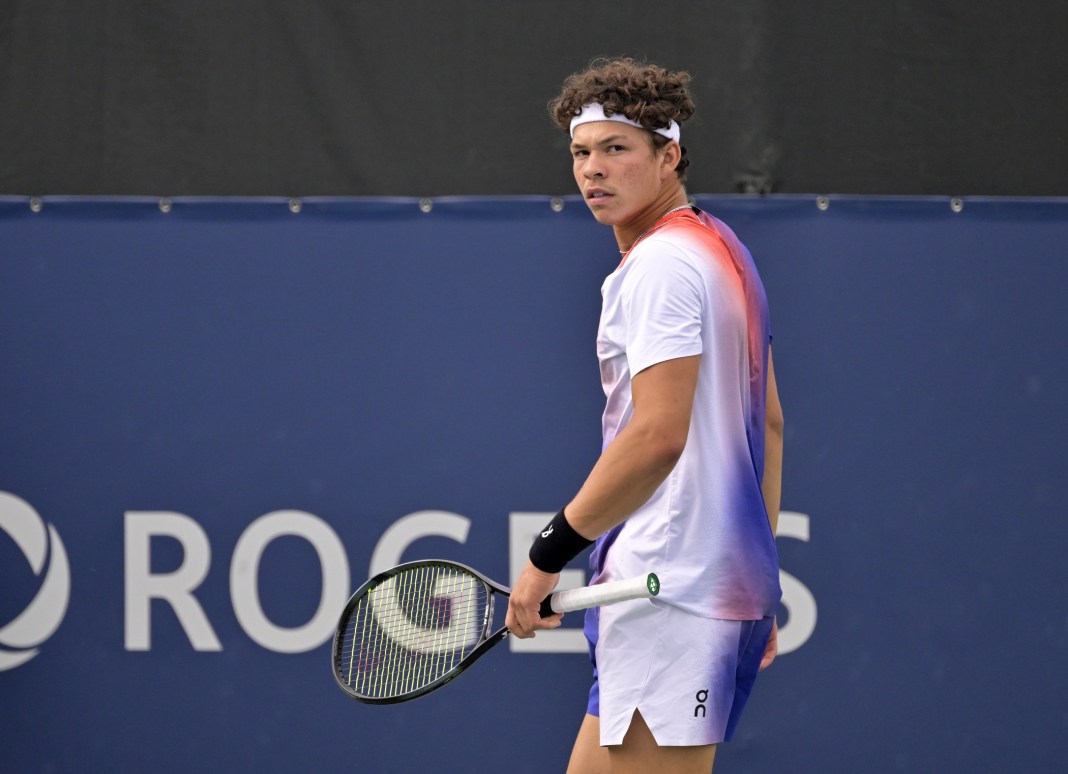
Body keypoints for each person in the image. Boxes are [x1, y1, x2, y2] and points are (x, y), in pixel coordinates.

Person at [504, 58, 784, 773]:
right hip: (698, 586)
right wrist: (755, 577)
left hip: (671, 589)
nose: (593, 169)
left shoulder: (660, 267)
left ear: (669, 156)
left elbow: (658, 436)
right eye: (581, 152)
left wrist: (546, 554)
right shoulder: (724, 252)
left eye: (616, 149)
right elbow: (770, 425)